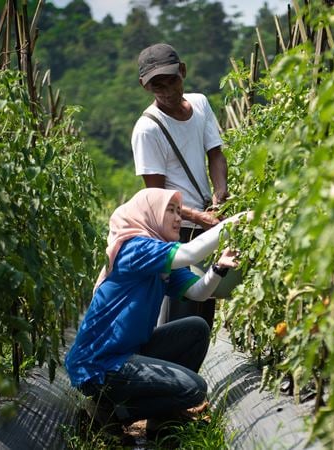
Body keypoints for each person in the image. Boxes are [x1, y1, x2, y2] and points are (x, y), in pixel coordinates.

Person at [64, 188, 249, 438]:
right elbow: (190, 253)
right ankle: (107, 413)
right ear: (149, 214)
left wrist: (218, 268)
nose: (177, 218)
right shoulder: (135, 247)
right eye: (170, 211)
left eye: (178, 211)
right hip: (100, 365)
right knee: (194, 389)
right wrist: (233, 223)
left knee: (196, 329)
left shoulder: (160, 257)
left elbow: (198, 292)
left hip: (128, 353)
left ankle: (160, 419)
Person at [131, 42, 228, 328]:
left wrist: (219, 194)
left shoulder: (199, 103)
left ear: (183, 71)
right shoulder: (147, 129)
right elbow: (156, 198)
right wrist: (199, 217)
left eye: (171, 81)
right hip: (176, 230)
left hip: (206, 222)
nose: (167, 92)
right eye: (157, 86)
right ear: (144, 87)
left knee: (206, 305)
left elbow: (216, 154)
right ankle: (176, 369)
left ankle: (190, 369)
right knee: (183, 310)